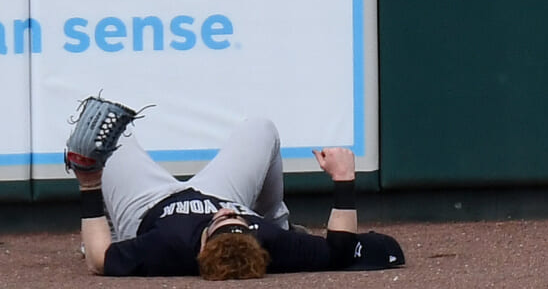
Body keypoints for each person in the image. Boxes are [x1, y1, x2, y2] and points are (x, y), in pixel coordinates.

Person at [69, 108, 405, 279]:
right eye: (240, 222)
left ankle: (110, 221)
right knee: (261, 128)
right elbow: (340, 252)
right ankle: (281, 219)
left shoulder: (166, 247)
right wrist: (344, 179)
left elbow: (99, 260)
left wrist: (89, 184)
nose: (232, 215)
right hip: (220, 191)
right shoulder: (269, 240)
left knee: (101, 138)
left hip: (146, 207)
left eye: (222, 223)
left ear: (203, 244)